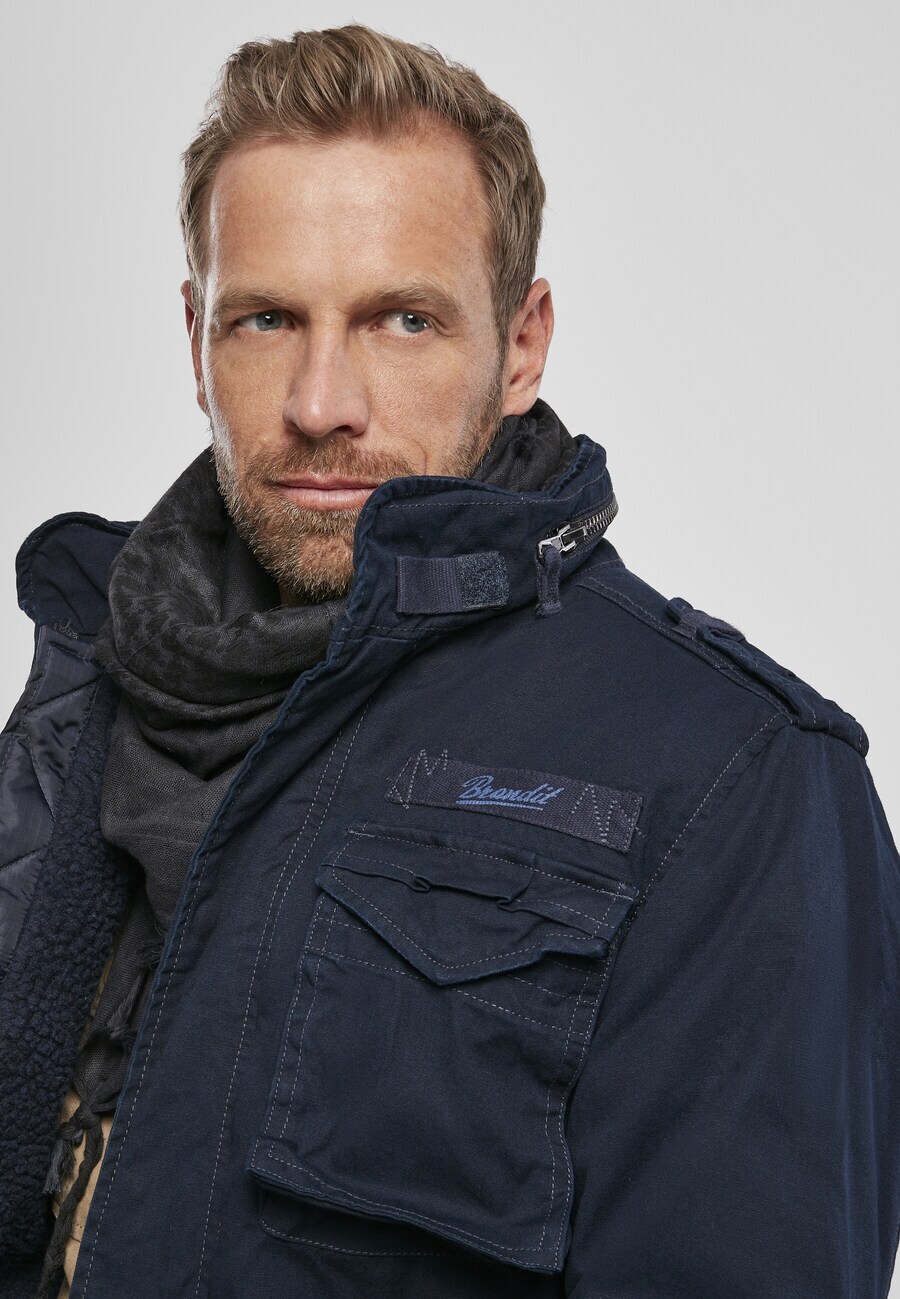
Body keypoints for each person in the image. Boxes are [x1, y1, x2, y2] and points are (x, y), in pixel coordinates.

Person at [0, 22, 897, 1299]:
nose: (321, 402)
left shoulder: (738, 779)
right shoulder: (97, 680)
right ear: (195, 336)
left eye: (403, 320)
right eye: (266, 319)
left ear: (522, 344)